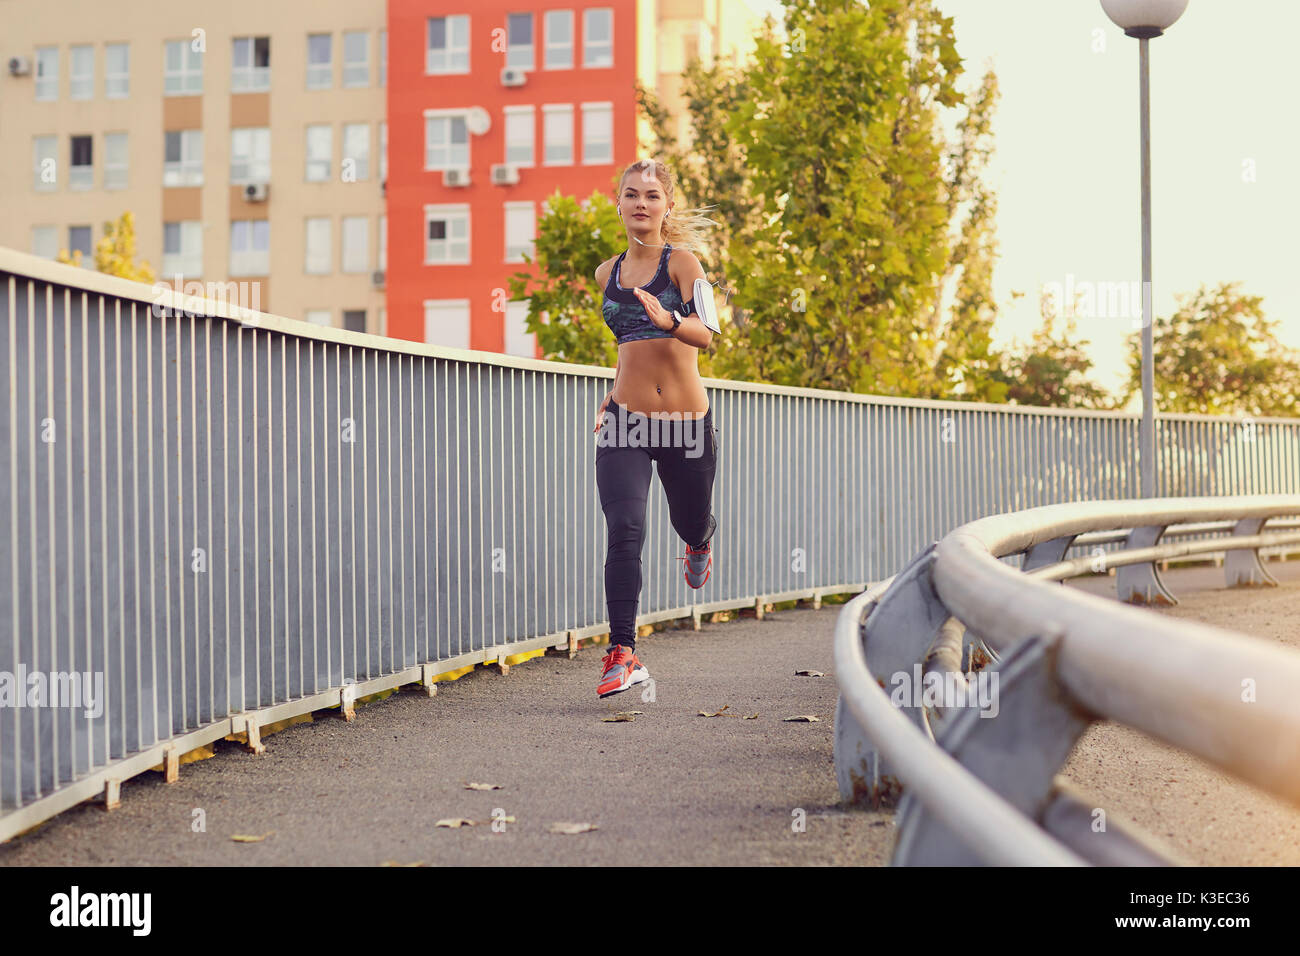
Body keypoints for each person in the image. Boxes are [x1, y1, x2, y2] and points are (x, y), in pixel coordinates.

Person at [592, 158, 722, 699]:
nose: (640, 203)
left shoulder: (683, 263)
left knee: (689, 521)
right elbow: (627, 344)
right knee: (625, 530)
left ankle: (699, 542)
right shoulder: (606, 273)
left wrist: (671, 320)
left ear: (667, 206)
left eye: (650, 195)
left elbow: (708, 334)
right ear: (618, 203)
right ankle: (622, 653)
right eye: (630, 195)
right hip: (625, 422)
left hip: (685, 427)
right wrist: (613, 390)